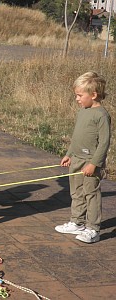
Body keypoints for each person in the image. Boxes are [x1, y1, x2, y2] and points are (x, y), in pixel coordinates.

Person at [55, 71, 111, 244]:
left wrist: (94, 164)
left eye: (80, 95)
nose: (77, 99)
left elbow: (104, 143)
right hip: (76, 159)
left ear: (93, 95)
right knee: (77, 192)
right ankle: (77, 222)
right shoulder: (83, 111)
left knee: (91, 194)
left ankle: (93, 229)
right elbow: (77, 136)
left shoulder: (101, 115)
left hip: (90, 162)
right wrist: (69, 154)